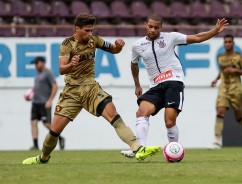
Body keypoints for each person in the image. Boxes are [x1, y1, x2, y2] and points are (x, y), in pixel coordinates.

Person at [22, 13, 161, 164]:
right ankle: (42, 158)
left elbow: (113, 49)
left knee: (114, 115)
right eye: (87, 30)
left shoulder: (94, 40)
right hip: (72, 92)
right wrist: (71, 65)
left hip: (91, 88)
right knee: (54, 132)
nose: (90, 34)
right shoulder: (67, 44)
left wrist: (119, 46)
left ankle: (136, 147)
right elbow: (61, 69)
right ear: (77, 28)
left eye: (91, 30)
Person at [121, 13, 229, 158]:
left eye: (156, 27)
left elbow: (196, 38)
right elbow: (134, 64)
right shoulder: (137, 46)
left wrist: (214, 31)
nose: (153, 30)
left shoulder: (170, 37)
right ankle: (138, 150)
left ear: (161, 28)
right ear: (145, 25)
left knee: (169, 121)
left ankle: (174, 152)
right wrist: (137, 85)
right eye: (150, 26)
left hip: (173, 82)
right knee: (141, 112)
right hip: (155, 86)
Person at [210, 34, 242, 149]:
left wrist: (235, 70)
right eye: (226, 42)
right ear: (223, 43)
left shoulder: (239, 57)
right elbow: (222, 71)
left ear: (233, 43)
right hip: (224, 87)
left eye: (230, 42)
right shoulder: (220, 57)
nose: (227, 44)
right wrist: (216, 80)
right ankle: (217, 140)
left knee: (238, 117)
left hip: (236, 88)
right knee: (220, 111)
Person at [28, 56, 65, 150]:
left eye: (37, 63)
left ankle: (60, 138)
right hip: (35, 103)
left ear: (42, 63)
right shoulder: (37, 74)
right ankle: (35, 145)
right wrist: (30, 95)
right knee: (33, 122)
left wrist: (50, 100)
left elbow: (55, 86)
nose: (35, 65)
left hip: (44, 103)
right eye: (35, 64)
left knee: (46, 123)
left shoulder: (48, 73)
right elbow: (37, 88)